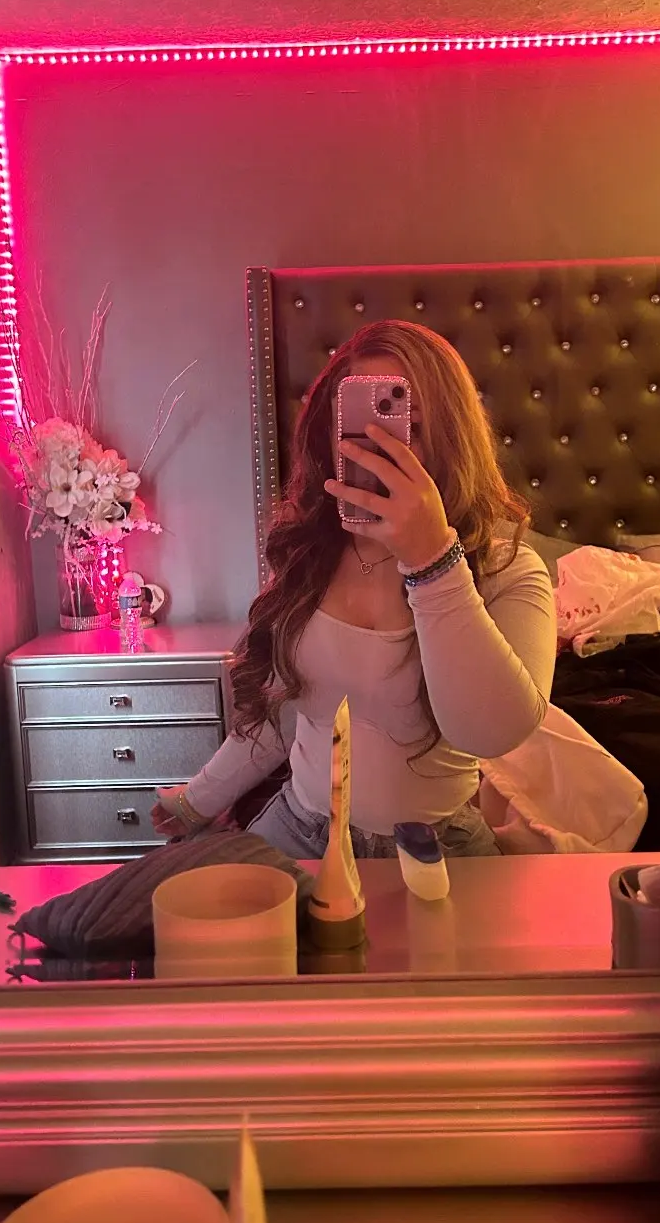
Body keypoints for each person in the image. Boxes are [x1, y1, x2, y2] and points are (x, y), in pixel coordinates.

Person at [152, 320, 557, 858]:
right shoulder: (309, 557)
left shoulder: (507, 571)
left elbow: (492, 733)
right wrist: (197, 799)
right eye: (359, 428)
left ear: (451, 434)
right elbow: (285, 714)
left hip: (435, 852)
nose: (380, 449)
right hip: (297, 832)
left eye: (408, 425)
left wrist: (433, 561)